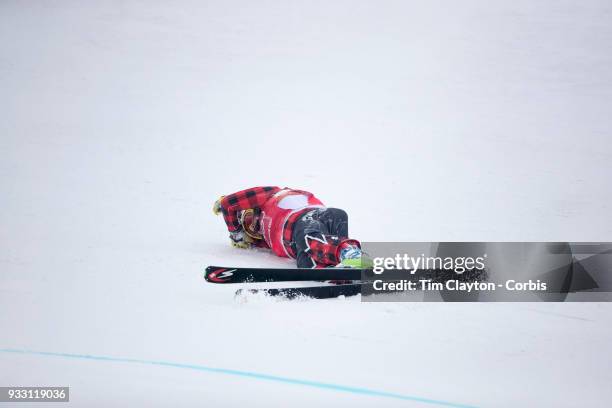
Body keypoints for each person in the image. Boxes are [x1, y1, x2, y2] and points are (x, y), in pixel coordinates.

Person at [212, 186, 365, 268]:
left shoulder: (269, 196)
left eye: (248, 218)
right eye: (248, 229)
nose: (252, 226)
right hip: (300, 246)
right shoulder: (264, 239)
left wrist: (236, 233)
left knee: (307, 236)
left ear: (253, 208)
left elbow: (229, 204)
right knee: (307, 265)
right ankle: (343, 271)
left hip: (314, 217)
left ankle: (349, 254)